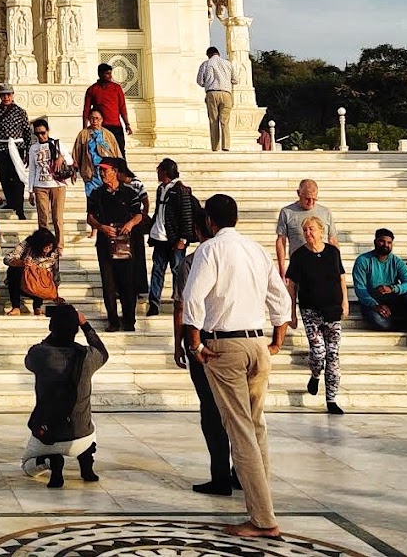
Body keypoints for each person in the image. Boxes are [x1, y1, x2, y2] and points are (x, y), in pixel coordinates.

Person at [180, 192, 292, 539]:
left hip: (225, 346)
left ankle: (263, 519)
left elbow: (193, 298)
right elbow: (281, 298)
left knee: (240, 429)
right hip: (258, 343)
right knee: (256, 426)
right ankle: (261, 501)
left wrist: (195, 344)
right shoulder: (256, 249)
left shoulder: (210, 250)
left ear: (210, 221)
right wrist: (277, 340)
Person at [172, 196, 236, 500]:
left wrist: (185, 345)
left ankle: (221, 476)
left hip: (206, 342)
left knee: (212, 412)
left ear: (203, 227)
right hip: (241, 338)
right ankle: (241, 472)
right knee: (239, 412)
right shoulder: (244, 252)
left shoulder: (192, 261)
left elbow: (184, 307)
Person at [22, 304, 109, 489]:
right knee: (88, 421)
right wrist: (86, 326)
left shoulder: (40, 354)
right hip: (82, 436)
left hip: (49, 436)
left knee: (28, 467)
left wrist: (52, 334)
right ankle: (86, 460)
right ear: (76, 329)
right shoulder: (87, 356)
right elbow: (103, 352)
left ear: (51, 327)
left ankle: (51, 461)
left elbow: (29, 360)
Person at [285, 215, 347, 413]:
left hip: (333, 310)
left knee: (333, 355)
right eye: (305, 230)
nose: (308, 233)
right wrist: (291, 312)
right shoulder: (299, 256)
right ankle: (315, 375)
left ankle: (331, 399)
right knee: (319, 351)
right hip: (311, 310)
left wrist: (345, 301)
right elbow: (292, 284)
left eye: (311, 229)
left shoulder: (332, 252)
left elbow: (341, 277)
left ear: (321, 231)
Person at [86, 157, 147, 332]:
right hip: (105, 243)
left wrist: (130, 224)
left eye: (106, 170)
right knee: (109, 283)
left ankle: (129, 320)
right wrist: (100, 227)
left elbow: (139, 214)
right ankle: (113, 320)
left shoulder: (129, 193)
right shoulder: (96, 194)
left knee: (128, 282)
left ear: (114, 171)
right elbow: (90, 217)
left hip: (125, 243)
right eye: (101, 170)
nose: (102, 173)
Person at [351, 229, 407, 349]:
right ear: (375, 242)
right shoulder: (363, 260)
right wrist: (375, 305)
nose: (385, 245)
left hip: (393, 299)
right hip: (371, 302)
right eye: (382, 241)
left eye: (389, 243)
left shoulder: (396, 261)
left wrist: (392, 288)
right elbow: (360, 289)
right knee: (380, 323)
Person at [147, 158, 196, 317]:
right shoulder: (160, 189)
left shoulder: (181, 190)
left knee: (177, 270)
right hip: (160, 237)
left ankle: (178, 301)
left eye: (159, 170)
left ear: (166, 172)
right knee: (157, 270)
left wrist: (183, 239)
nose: (158, 173)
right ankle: (154, 302)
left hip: (175, 238)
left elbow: (186, 215)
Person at [72, 105, 123, 239]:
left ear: (102, 120)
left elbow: (117, 153)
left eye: (97, 118)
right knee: (93, 201)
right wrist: (74, 169)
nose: (94, 121)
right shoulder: (83, 134)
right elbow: (76, 153)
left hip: (107, 174)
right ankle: (94, 228)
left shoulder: (108, 135)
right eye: (92, 118)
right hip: (91, 173)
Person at [274, 179, 340, 277]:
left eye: (314, 199)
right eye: (307, 198)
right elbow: (281, 241)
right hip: (299, 267)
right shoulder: (287, 212)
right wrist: (282, 269)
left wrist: (338, 265)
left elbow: (333, 240)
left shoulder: (325, 212)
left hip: (324, 265)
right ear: (298, 193)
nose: (311, 202)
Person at [0, 84, 31, 219]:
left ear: (12, 95)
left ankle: (19, 207)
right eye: (3, 95)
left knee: (18, 178)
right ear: (0, 96)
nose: (6, 97)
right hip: (1, 148)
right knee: (4, 177)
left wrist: (28, 151)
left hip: (18, 148)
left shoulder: (20, 112)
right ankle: (11, 203)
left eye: (8, 95)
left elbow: (27, 132)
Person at [26, 117, 70, 242]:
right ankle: (43, 244)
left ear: (48, 131)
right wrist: (30, 190)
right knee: (43, 218)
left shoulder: (57, 144)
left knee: (57, 218)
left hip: (57, 184)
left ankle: (59, 245)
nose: (40, 136)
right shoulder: (33, 148)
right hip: (40, 185)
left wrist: (61, 158)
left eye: (43, 133)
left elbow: (70, 160)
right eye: (37, 133)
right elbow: (32, 170)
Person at [6, 228, 60, 315]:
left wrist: (56, 293)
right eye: (45, 247)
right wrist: (22, 263)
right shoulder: (28, 243)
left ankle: (37, 306)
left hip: (42, 284)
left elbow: (56, 273)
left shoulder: (54, 251)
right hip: (25, 281)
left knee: (42, 274)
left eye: (50, 247)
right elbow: (8, 259)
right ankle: (16, 307)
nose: (48, 249)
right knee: (13, 270)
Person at [82, 62, 131, 154]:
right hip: (100, 127)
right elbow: (86, 110)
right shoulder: (92, 89)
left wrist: (127, 124)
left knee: (120, 151)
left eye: (110, 73)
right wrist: (85, 129)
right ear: (100, 74)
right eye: (107, 74)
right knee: (102, 152)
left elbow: (122, 107)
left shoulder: (116, 88)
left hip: (116, 126)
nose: (110, 76)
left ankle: (121, 169)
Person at [197, 46, 233, 151]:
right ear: (218, 53)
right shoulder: (227, 64)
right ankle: (226, 145)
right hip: (226, 93)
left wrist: (207, 83)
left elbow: (200, 81)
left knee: (213, 120)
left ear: (208, 55)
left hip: (212, 93)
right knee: (224, 121)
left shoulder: (206, 64)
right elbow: (235, 79)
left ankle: (215, 147)